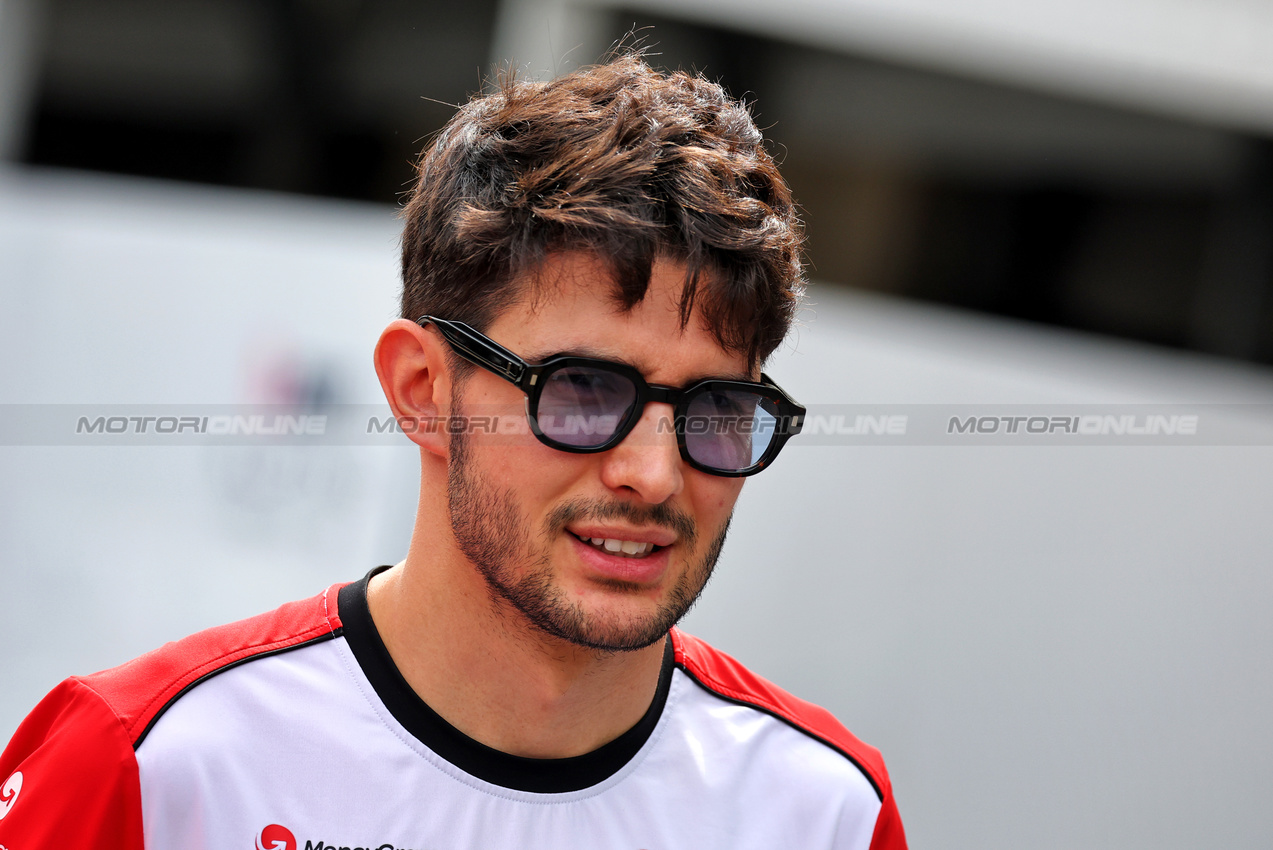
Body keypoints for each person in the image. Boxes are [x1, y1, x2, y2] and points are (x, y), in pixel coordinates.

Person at [0, 53, 906, 849]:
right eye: (584, 392)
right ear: (423, 391)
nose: (653, 473)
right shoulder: (151, 762)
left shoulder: (822, 815)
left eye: (716, 408)